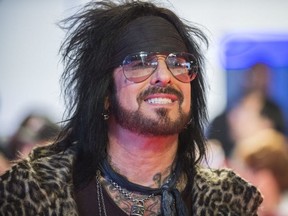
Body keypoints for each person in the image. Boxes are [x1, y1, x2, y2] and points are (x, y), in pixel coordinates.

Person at [0, 1, 263, 215]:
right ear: (104, 94)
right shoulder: (34, 193)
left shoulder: (229, 202)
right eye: (140, 63)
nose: (165, 76)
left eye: (179, 63)